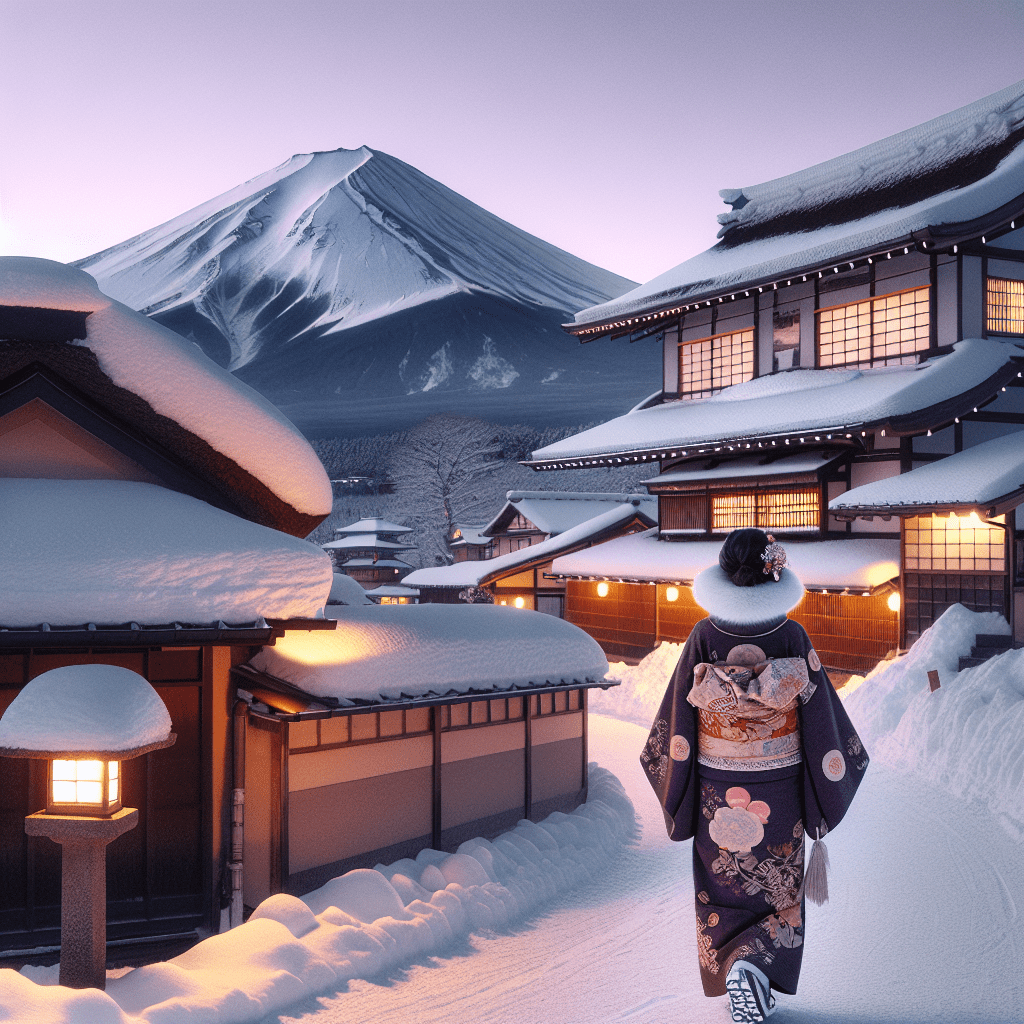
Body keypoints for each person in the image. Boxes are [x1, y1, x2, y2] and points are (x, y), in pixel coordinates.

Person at [641, 529, 868, 1023]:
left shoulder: (705, 634)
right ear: (775, 575)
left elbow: (678, 722)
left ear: (724, 573)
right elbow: (818, 718)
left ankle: (737, 971)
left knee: (722, 883)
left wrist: (675, 781)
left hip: (717, 790)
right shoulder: (791, 635)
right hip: (779, 793)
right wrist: (825, 776)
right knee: (777, 885)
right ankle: (756, 974)